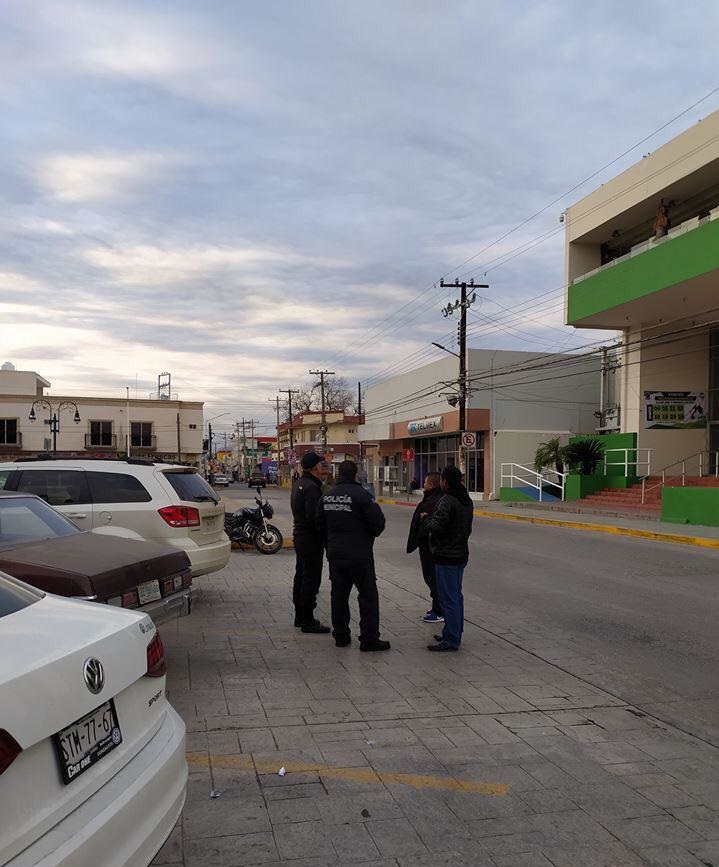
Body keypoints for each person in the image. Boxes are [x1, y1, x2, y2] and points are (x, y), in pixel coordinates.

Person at [316, 460, 390, 652]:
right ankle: (369, 638)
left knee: (338, 596)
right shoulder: (361, 496)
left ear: (339, 474)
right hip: (360, 556)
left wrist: (329, 544)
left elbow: (319, 525)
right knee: (368, 597)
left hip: (336, 556)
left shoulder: (327, 496)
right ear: (355, 474)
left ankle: (340, 636)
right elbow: (378, 524)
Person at [425, 466, 473, 652]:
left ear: (446, 481)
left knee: (448, 598)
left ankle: (452, 638)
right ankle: (454, 631)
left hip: (446, 556)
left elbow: (437, 526)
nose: (442, 482)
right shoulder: (466, 500)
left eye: (443, 479)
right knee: (456, 596)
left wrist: (426, 519)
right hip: (461, 553)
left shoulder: (447, 500)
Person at [290, 452, 331, 634]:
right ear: (315, 467)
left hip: (300, 536)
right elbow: (315, 518)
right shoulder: (313, 488)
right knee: (310, 579)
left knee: (301, 576)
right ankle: (307, 619)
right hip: (310, 539)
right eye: (320, 464)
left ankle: (300, 616)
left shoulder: (299, 483)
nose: (322, 467)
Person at [406, 472, 443, 623]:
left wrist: (420, 540)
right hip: (429, 547)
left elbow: (428, 526)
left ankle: (439, 610)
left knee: (432, 579)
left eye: (426, 483)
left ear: (432, 485)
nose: (424, 485)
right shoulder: (432, 498)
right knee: (432, 579)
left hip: (430, 548)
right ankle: (436, 607)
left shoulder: (433, 501)